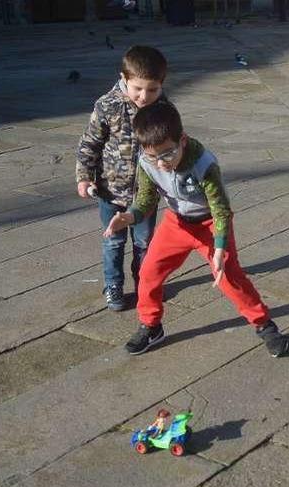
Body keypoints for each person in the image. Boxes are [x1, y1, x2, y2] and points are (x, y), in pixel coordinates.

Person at [104, 101, 289, 358]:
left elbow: (221, 209)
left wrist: (220, 247)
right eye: (153, 156)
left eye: (167, 154)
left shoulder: (203, 163)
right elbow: (146, 199)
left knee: (228, 277)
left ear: (182, 140)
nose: (161, 164)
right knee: (148, 272)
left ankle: (264, 325)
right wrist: (129, 216)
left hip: (210, 224)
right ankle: (151, 325)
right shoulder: (147, 161)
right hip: (176, 222)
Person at [76, 46, 168, 310]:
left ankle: (145, 283)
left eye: (152, 89)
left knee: (144, 243)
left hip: (146, 196)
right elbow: (89, 144)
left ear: (162, 84)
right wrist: (84, 176)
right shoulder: (107, 105)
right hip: (109, 191)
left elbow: (174, 144)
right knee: (113, 241)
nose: (144, 96)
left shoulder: (163, 108)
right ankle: (113, 285)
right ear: (124, 78)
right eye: (138, 88)